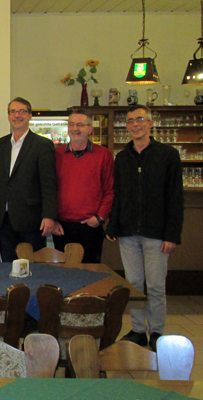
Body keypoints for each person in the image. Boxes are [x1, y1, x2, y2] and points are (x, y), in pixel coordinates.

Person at [106, 104, 183, 352]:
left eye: (140, 119)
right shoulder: (122, 158)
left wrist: (172, 234)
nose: (135, 124)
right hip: (128, 233)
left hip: (156, 234)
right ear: (126, 126)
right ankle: (138, 331)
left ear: (150, 123)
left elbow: (175, 197)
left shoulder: (167, 155)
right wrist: (113, 225)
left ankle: (157, 332)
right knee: (134, 285)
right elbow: (118, 194)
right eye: (130, 121)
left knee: (156, 285)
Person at [0, 97, 57, 262]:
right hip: (4, 219)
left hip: (32, 219)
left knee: (33, 267)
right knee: (7, 265)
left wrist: (49, 215)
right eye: (13, 111)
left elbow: (49, 184)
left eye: (22, 111)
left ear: (30, 115)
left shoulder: (43, 145)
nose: (17, 115)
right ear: (8, 116)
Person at [52, 109, 114, 263]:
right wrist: (52, 220)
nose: (75, 128)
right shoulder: (55, 154)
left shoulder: (103, 155)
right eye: (71, 124)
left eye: (80, 125)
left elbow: (109, 189)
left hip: (90, 225)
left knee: (90, 273)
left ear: (90, 129)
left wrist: (100, 218)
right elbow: (48, 189)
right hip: (61, 227)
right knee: (63, 274)